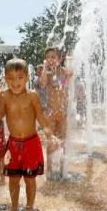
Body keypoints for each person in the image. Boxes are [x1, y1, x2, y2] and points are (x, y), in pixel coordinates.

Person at [0, 58, 53, 211]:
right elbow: (0, 114)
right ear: (5, 79)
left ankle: (30, 207)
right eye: (10, 78)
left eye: (19, 77)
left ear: (27, 77)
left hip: (31, 143)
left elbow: (40, 116)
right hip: (13, 144)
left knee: (30, 179)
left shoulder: (32, 96)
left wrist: (49, 134)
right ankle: (13, 206)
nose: (15, 82)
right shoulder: (4, 95)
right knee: (13, 179)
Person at [39, 47, 72, 178]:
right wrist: (45, 69)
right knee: (51, 142)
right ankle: (49, 169)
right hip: (51, 113)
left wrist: (70, 73)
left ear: (60, 59)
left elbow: (65, 84)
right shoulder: (46, 75)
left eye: (53, 57)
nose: (50, 60)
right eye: (48, 57)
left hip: (62, 113)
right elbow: (42, 84)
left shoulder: (64, 72)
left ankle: (63, 168)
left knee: (63, 140)